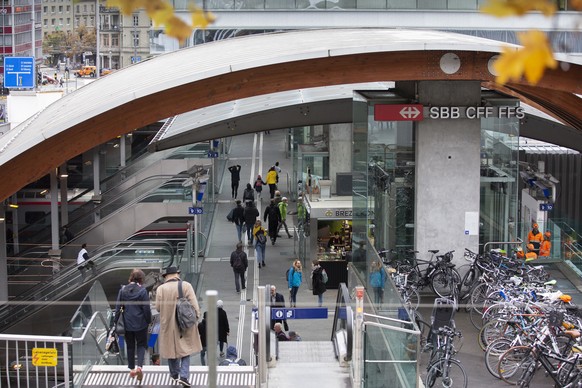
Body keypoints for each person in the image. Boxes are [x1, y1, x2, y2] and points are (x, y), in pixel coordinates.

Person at [155, 266, 201, 387]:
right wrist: (196, 317)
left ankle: (174, 375)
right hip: (184, 324)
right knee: (186, 350)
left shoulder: (161, 289)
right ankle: (184, 376)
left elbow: (158, 308)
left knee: (171, 350)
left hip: (168, 324)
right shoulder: (186, 285)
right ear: (177, 274)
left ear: (166, 277)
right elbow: (194, 305)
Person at [116, 269, 152, 381]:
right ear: (141, 279)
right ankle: (139, 367)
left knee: (130, 345)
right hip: (141, 323)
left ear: (131, 277)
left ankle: (131, 369)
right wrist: (148, 320)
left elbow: (118, 308)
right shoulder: (142, 291)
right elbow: (146, 308)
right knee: (141, 345)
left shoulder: (123, 290)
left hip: (127, 323)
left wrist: (115, 322)